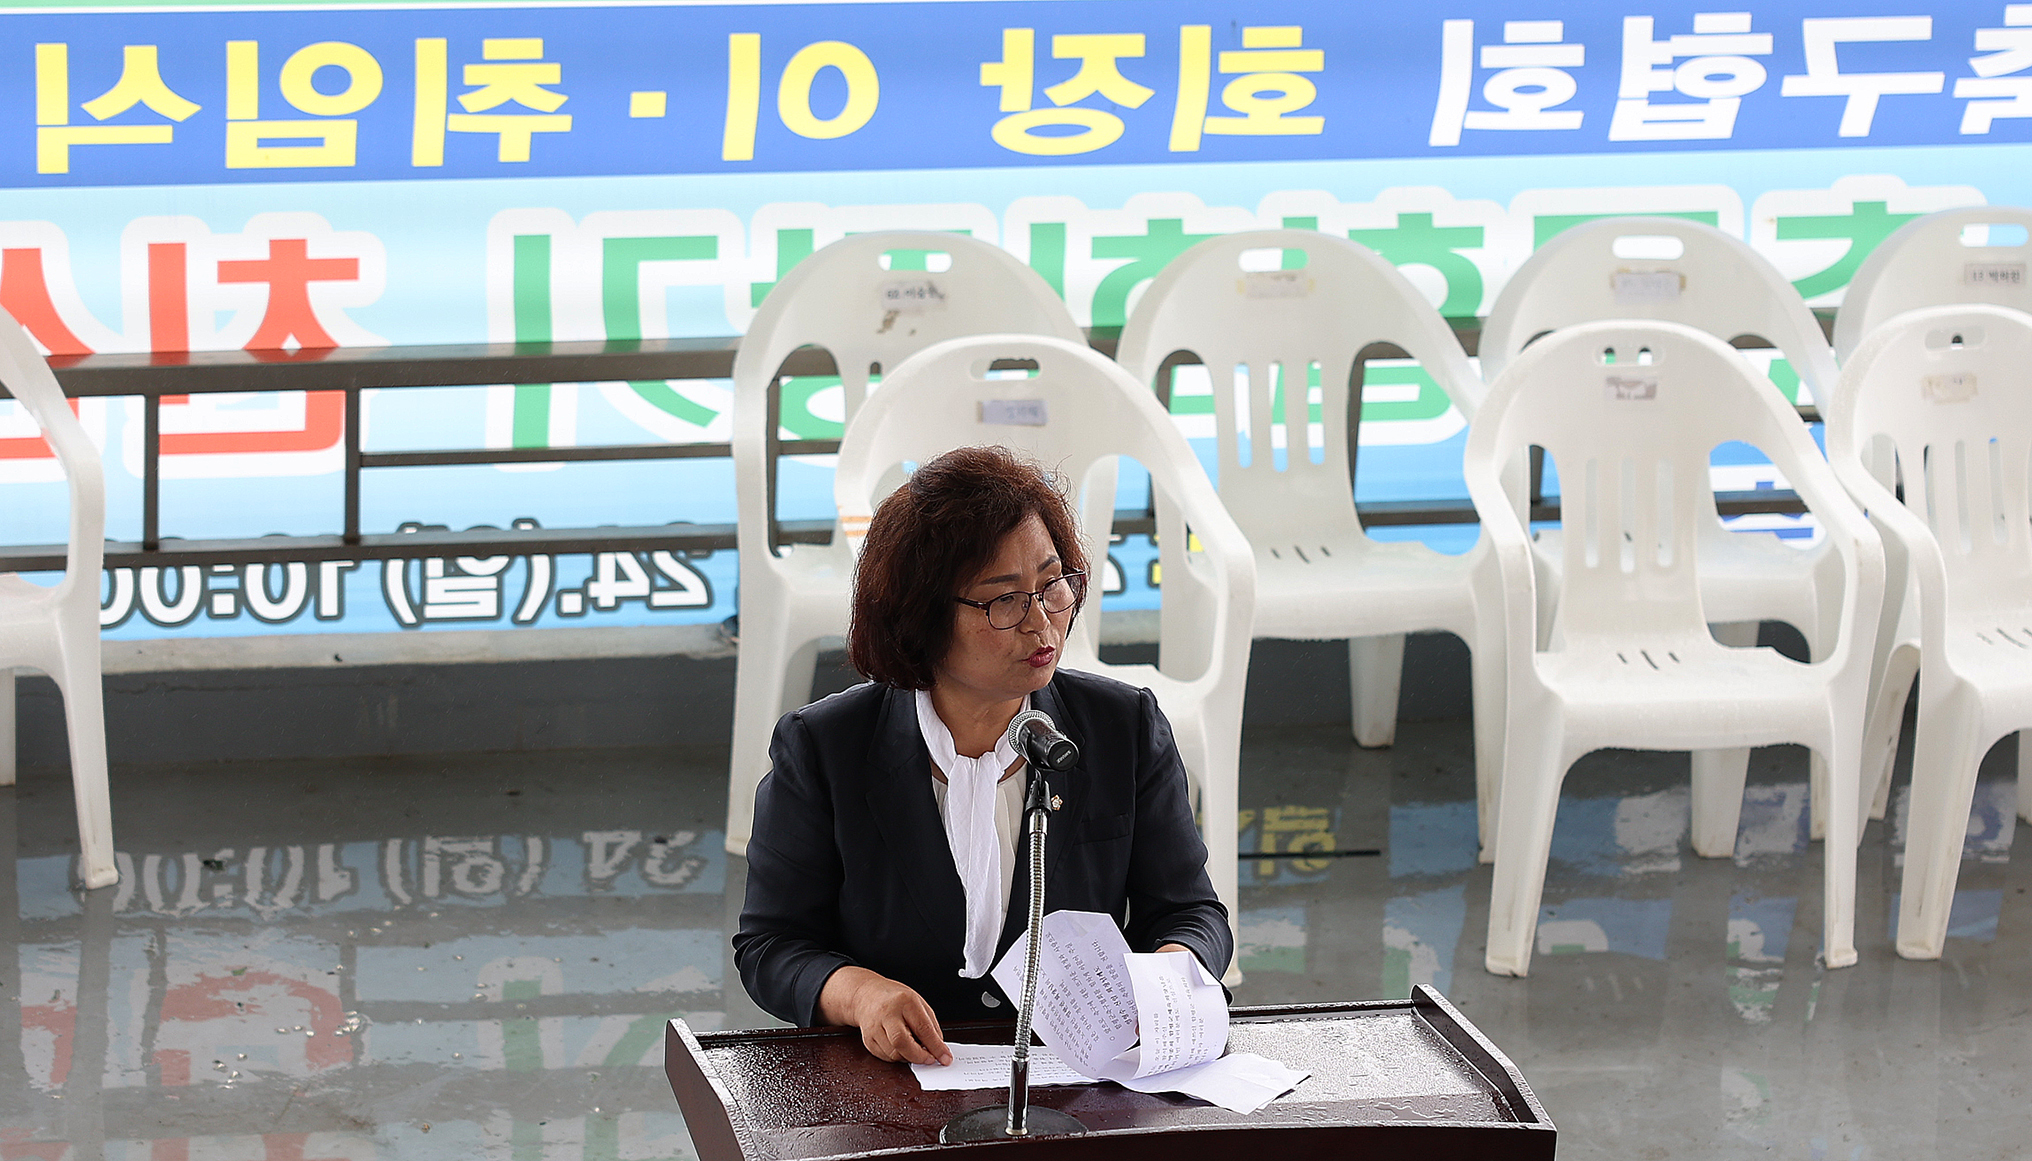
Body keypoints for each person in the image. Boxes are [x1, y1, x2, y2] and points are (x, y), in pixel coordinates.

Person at [733, 445, 1232, 1066]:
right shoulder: (825, 748)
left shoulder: (1122, 727)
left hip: (1079, 1076)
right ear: (921, 618)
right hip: (899, 1077)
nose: (1041, 623)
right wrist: (859, 995)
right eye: (1004, 600)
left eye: (1054, 585)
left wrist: (1168, 973)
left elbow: (1191, 912)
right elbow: (772, 945)